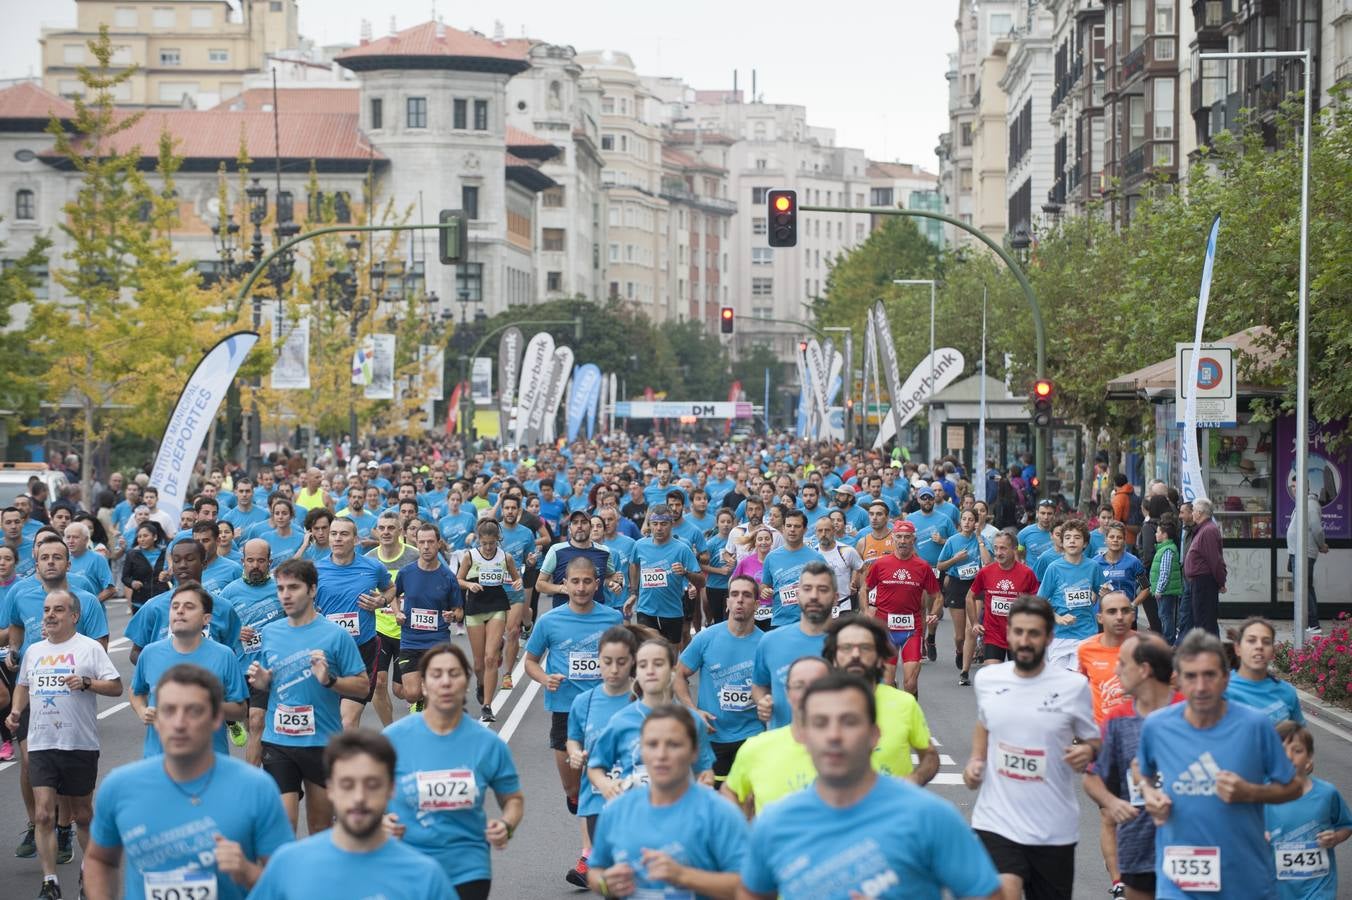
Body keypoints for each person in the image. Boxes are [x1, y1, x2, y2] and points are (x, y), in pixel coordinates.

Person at [740, 671, 1002, 900]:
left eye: (849, 722)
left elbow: (987, 894)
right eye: (821, 723)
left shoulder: (929, 816)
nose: (834, 736)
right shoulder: (775, 822)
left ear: (874, 734)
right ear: (804, 736)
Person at [84, 664, 293, 900]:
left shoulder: (257, 789)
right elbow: (99, 860)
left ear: (216, 718)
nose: (179, 723)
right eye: (169, 711)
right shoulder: (119, 787)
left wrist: (248, 873)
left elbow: (285, 883)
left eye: (193, 711)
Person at [1137, 629, 1302, 899]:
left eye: (1209, 675)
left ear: (1226, 678)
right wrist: (1149, 793)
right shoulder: (1157, 726)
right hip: (1179, 881)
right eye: (1191, 676)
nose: (1200, 686)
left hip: (1243, 880)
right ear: (1177, 680)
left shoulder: (1255, 725)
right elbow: (1142, 773)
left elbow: (1294, 786)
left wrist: (1250, 793)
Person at [964, 595, 1100, 900]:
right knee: (1003, 892)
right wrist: (976, 760)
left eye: (1034, 633)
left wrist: (1088, 751)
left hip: (1053, 828)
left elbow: (1093, 739)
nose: (1024, 641)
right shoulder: (987, 679)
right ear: (1009, 633)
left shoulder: (1073, 686)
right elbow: (985, 721)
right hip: (996, 820)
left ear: (1049, 637)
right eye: (1019, 632)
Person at [5, 590, 122, 900]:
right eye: (46, 609)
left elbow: (116, 686)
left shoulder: (90, 649)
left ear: (74, 616)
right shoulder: (35, 651)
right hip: (42, 742)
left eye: (58, 609)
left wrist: (87, 683)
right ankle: (50, 882)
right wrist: (16, 711)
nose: (50, 615)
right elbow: (23, 685)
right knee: (44, 814)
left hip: (79, 743)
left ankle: (90, 870)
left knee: (83, 815)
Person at [383, 643, 523, 900]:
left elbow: (512, 799)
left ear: (467, 684)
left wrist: (506, 826)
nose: (445, 682)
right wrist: (378, 822)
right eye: (436, 675)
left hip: (467, 869)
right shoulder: (392, 740)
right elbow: (362, 797)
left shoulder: (487, 744)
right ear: (423, 685)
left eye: (454, 674)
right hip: (406, 866)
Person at [248, 730, 457, 899]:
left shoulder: (424, 876)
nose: (359, 797)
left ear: (391, 789)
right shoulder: (287, 864)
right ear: (330, 788)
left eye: (372, 784)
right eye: (347, 785)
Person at [247, 559, 369, 834]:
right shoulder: (270, 633)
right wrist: (264, 682)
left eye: (293, 587)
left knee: (319, 826)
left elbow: (363, 686)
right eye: (280, 588)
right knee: (284, 824)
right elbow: (269, 681)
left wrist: (330, 680)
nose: (285, 595)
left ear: (312, 590)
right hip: (278, 741)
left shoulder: (336, 636)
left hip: (321, 742)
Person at [524, 556, 625, 875]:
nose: (581, 588)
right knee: (573, 788)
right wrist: (544, 678)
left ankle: (590, 856)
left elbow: (626, 661)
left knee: (598, 784)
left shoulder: (613, 618)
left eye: (587, 582)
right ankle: (578, 802)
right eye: (575, 582)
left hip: (605, 711)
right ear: (564, 585)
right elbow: (530, 662)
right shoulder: (550, 621)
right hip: (565, 711)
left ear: (597, 584)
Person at [588, 704, 748, 899]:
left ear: (694, 752)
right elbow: (595, 871)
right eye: (652, 745)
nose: (661, 755)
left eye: (673, 744)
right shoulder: (616, 810)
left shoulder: (720, 813)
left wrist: (683, 876)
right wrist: (606, 883)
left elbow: (748, 886)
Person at [129, 582, 248, 757]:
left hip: (210, 760)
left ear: (206, 619)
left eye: (189, 606)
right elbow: (136, 691)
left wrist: (208, 706)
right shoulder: (150, 653)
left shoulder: (224, 655)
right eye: (175, 606)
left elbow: (240, 711)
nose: (179, 611)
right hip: (158, 760)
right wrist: (142, 711)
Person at [823, 613, 938, 783]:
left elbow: (929, 756)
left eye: (865, 648)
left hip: (891, 807)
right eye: (846, 647)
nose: (856, 655)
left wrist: (913, 780)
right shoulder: (816, 703)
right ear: (833, 657)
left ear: (879, 659)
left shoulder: (904, 703)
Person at [674, 574, 764, 781]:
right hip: (715, 736)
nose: (740, 600)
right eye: (734, 594)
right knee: (714, 803)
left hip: (753, 735)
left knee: (748, 803)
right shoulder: (706, 638)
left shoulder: (766, 643)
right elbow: (678, 674)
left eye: (747, 595)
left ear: (757, 604)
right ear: (727, 602)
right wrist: (693, 710)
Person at [722, 655, 826, 817]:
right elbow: (730, 791)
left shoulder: (852, 748)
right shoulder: (757, 747)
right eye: (799, 686)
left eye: (817, 685)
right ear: (787, 693)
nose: (808, 693)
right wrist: (741, 832)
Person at [314, 517, 393, 729]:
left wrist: (382, 601)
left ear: (356, 539)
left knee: (348, 720)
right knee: (327, 720)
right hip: (326, 651)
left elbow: (391, 588)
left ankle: (348, 760)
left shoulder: (373, 567)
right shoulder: (315, 570)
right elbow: (301, 602)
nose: (337, 538)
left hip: (362, 650)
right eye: (334, 533)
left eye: (344, 534)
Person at [1265, 721, 1352, 900]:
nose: (1289, 757)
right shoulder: (1262, 795)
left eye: (1297, 751)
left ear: (1309, 756)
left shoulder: (1327, 793)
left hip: (1319, 889)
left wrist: (1335, 838)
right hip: (1277, 889)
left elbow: (1346, 825)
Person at [751, 562, 834, 729]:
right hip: (783, 747)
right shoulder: (770, 641)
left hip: (834, 747)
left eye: (823, 589)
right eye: (807, 589)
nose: (814, 596)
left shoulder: (850, 643)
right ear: (798, 595)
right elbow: (759, 685)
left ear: (836, 597)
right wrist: (762, 701)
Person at [863, 520, 940, 696]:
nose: (903, 541)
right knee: (888, 686)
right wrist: (867, 609)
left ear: (913, 540)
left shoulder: (922, 566)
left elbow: (937, 596)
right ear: (893, 538)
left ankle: (910, 718)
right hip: (885, 629)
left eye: (907, 537)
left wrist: (934, 613)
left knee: (910, 683)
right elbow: (865, 589)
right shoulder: (881, 564)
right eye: (899, 537)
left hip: (912, 629)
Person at [392, 523, 461, 711]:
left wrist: (452, 615)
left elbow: (459, 610)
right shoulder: (406, 573)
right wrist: (397, 611)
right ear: (416, 542)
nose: (426, 546)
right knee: (411, 694)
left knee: (437, 691)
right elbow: (393, 595)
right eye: (421, 542)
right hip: (410, 641)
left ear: (438, 544)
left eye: (430, 542)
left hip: (437, 641)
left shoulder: (448, 576)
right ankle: (423, 699)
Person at [458, 519, 522, 716]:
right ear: (479, 540)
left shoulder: (506, 557)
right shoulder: (470, 556)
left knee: (490, 658)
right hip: (475, 608)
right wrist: (469, 585)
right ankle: (480, 683)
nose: (487, 548)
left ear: (498, 540)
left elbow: (516, 576)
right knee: (478, 664)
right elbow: (458, 580)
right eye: (484, 543)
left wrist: (518, 582)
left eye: (491, 543)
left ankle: (487, 705)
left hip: (496, 608)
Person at [626, 504, 704, 645]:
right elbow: (633, 565)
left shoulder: (682, 549)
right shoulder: (639, 545)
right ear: (649, 524)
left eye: (663, 524)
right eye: (654, 524)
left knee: (670, 658)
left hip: (672, 612)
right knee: (648, 651)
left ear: (671, 524)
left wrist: (685, 573)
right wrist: (633, 591)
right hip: (646, 610)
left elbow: (701, 581)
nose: (659, 528)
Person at [966, 531, 1039, 679]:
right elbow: (970, 597)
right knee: (993, 679)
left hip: (1019, 636)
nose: (998, 553)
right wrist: (974, 622)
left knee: (1019, 681)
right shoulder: (986, 572)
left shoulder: (1027, 574)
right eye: (996, 548)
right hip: (993, 634)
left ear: (1014, 549)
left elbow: (1036, 602)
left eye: (1003, 548)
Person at [1037, 518, 1109, 671]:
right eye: (1068, 538)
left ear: (1085, 543)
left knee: (1079, 681)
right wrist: (1058, 618)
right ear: (1062, 543)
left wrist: (1105, 594)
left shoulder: (1093, 567)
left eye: (1077, 537)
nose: (1072, 541)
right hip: (1059, 635)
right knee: (1059, 683)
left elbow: (1104, 594)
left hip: (1086, 633)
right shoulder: (1054, 568)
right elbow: (1040, 601)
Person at [937, 508, 992, 675]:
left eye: (971, 519)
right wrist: (955, 559)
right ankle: (960, 650)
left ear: (976, 523)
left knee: (971, 629)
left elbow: (988, 563)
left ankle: (966, 666)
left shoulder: (981, 540)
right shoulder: (953, 541)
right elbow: (940, 566)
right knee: (960, 636)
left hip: (976, 585)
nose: (967, 522)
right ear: (960, 522)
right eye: (964, 519)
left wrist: (980, 540)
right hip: (957, 584)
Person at [1224, 617, 1305, 726]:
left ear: (1273, 651)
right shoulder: (1221, 690)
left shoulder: (1287, 692)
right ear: (1238, 648)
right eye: (1251, 640)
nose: (1259, 646)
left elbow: (1301, 738)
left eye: (1266, 642)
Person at [759, 509, 825, 628]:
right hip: (780, 622)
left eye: (797, 526)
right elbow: (765, 585)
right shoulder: (771, 557)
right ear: (783, 528)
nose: (792, 529)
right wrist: (764, 591)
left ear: (805, 530)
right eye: (789, 526)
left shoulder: (818, 558)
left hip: (810, 623)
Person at [1286, 485, 1329, 635]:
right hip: (1298, 552)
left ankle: (1313, 624)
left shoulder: (1310, 504)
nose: (1294, 489)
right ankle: (1307, 623)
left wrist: (1322, 545)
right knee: (1305, 588)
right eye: (1292, 486)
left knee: (1304, 588)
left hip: (1304, 552)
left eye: (1296, 486)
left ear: (1306, 486)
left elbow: (1317, 528)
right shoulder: (1303, 503)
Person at [1182, 498, 1226, 636]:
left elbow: (1215, 560)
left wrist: (1221, 581)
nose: (1192, 513)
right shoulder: (1204, 529)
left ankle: (1211, 653)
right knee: (1202, 621)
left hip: (1204, 583)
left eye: (1194, 510)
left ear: (1200, 513)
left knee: (1205, 622)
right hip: (1199, 582)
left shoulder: (1208, 530)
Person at [813, 515, 863, 615]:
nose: (823, 534)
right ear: (815, 533)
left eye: (827, 530)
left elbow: (862, 569)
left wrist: (856, 583)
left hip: (844, 606)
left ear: (834, 531)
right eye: (820, 530)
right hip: (820, 608)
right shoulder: (811, 554)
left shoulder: (847, 551)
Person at [1151, 514, 1185, 645]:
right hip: (1166, 590)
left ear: (1164, 535)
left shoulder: (1167, 550)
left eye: (1158, 532)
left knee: (1166, 616)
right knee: (1165, 615)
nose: (1156, 534)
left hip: (1166, 591)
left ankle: (1168, 640)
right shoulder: (1165, 549)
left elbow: (1165, 572)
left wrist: (1159, 589)